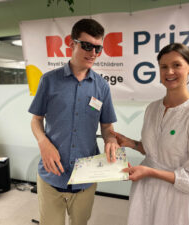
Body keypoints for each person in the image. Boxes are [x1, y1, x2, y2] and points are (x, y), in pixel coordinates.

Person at [112, 43, 189, 225]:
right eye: (164, 67)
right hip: (146, 195)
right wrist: (132, 143)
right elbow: (156, 152)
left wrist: (150, 172)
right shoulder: (153, 108)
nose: (169, 72)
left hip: (179, 202)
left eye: (176, 65)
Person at [29, 18, 119, 225]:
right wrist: (43, 143)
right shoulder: (49, 81)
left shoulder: (102, 87)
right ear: (72, 43)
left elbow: (107, 127)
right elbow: (36, 120)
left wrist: (111, 140)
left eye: (98, 48)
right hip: (51, 175)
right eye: (87, 46)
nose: (93, 53)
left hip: (85, 176)